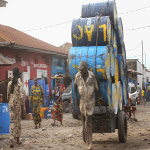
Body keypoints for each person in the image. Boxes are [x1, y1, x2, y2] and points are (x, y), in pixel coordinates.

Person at [74, 60, 99, 150]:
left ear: (85, 69)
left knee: (88, 122)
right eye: (80, 70)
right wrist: (76, 99)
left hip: (90, 102)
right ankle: (85, 134)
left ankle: (90, 143)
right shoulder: (77, 76)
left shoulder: (92, 76)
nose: (81, 71)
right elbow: (75, 86)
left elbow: (97, 87)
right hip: (82, 102)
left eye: (82, 70)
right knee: (83, 120)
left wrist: (99, 98)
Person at [7, 67, 23, 148]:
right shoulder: (19, 83)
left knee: (12, 121)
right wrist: (23, 106)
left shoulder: (10, 83)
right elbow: (21, 95)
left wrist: (10, 101)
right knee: (17, 121)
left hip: (11, 103)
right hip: (17, 103)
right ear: (18, 73)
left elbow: (8, 95)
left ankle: (11, 140)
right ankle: (17, 140)